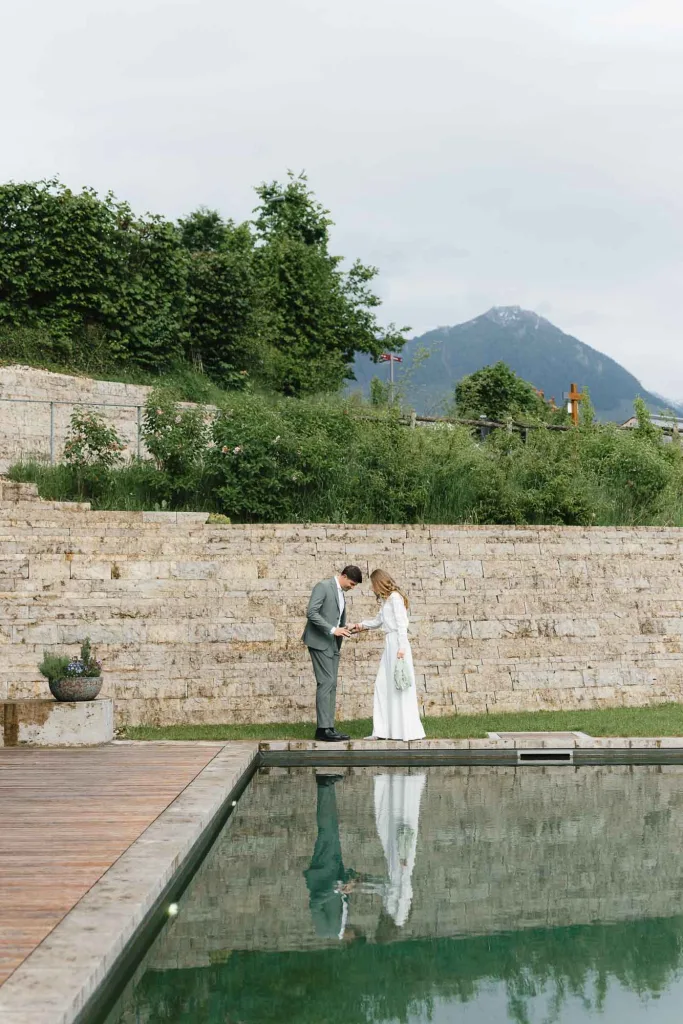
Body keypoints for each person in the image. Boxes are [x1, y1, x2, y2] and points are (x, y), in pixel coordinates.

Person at [352, 569, 425, 741]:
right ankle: (383, 730)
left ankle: (404, 731)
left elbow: (401, 624)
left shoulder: (394, 598)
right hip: (390, 644)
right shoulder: (386, 601)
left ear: (378, 583)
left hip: (397, 645)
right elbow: (378, 621)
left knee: (399, 686)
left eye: (372, 584)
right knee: (384, 686)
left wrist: (401, 648)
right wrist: (358, 625)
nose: (371, 588)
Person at [302, 565, 363, 742]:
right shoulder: (323, 586)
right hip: (319, 641)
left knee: (332, 684)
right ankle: (322, 730)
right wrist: (332, 630)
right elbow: (311, 612)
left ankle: (329, 727)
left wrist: (345, 628)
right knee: (326, 682)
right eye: (351, 584)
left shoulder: (340, 592)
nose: (352, 588)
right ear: (343, 576)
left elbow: (335, 618)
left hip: (333, 643)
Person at [304, 773, 360, 940]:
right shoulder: (341, 922)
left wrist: (336, 889)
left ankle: (323, 786)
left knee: (326, 831)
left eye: (357, 933)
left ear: (351, 940)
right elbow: (341, 890)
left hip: (322, 871)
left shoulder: (326, 931)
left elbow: (315, 904)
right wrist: (350, 881)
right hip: (335, 866)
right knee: (332, 828)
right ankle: (327, 787)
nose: (355, 929)